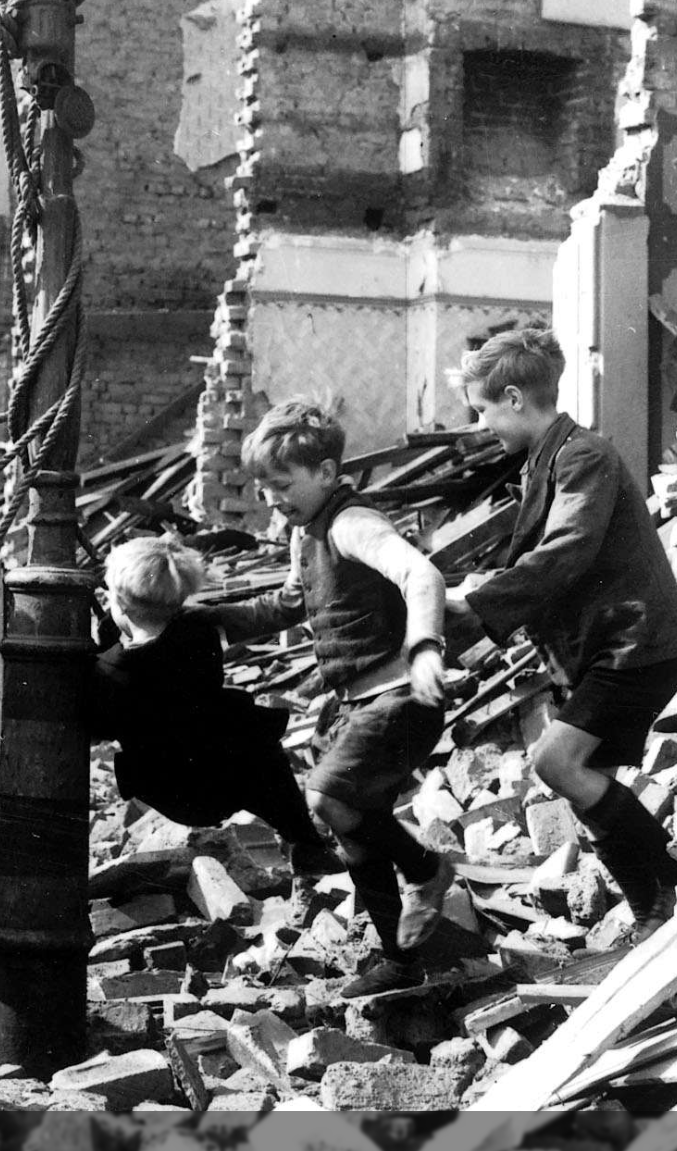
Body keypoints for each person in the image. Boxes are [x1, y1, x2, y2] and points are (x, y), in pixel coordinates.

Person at [448, 327, 677, 943]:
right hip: (610, 649)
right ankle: (657, 911)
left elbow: (566, 550)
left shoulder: (583, 456)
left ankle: (676, 889)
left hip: (639, 645)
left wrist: (476, 610)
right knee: (589, 783)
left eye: (483, 410)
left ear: (513, 397)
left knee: (557, 762)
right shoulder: (547, 460)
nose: (484, 426)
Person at [207, 401, 455, 995]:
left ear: (324, 472)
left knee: (327, 799)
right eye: (262, 487)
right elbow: (287, 606)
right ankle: (402, 961)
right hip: (356, 703)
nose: (270, 498)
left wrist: (425, 647)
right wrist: (204, 620)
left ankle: (426, 870)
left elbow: (423, 576)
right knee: (350, 825)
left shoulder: (351, 523)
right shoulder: (304, 533)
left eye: (282, 483)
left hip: (401, 696)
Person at [86, 534, 335, 907]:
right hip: (227, 779)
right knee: (254, 742)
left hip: (171, 789)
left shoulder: (108, 672)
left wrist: (97, 651)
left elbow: (100, 724)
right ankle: (305, 841)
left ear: (118, 602)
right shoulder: (199, 635)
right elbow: (162, 646)